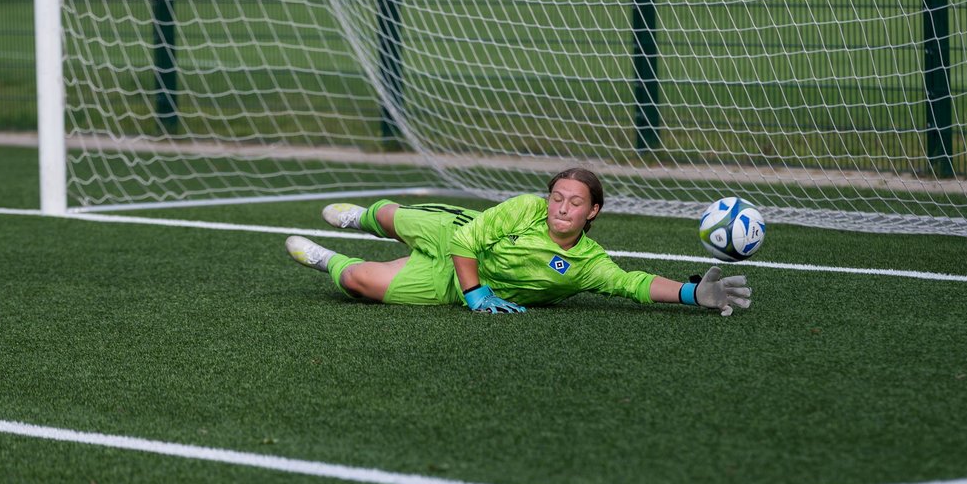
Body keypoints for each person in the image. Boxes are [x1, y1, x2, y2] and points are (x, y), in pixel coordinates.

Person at [283, 167, 752, 316]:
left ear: (593, 212)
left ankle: (325, 257)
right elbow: (466, 241)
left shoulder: (587, 263)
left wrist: (695, 293)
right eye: (556, 197)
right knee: (393, 216)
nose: (561, 207)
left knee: (362, 281)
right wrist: (476, 294)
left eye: (574, 202)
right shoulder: (524, 207)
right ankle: (359, 218)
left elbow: (633, 282)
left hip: (449, 283)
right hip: (459, 242)